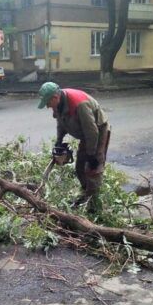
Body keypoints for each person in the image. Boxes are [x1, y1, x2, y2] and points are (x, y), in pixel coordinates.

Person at [37, 82, 111, 211]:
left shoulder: (79, 104)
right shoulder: (58, 104)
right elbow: (61, 123)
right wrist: (59, 140)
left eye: (48, 103)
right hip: (85, 133)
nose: (48, 106)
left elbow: (92, 132)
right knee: (79, 167)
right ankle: (85, 194)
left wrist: (92, 154)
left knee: (92, 169)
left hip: (97, 132)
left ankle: (94, 205)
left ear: (55, 97)